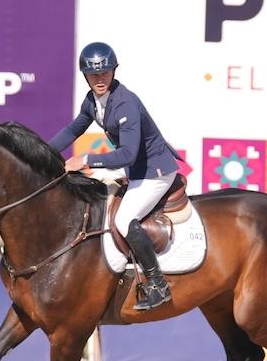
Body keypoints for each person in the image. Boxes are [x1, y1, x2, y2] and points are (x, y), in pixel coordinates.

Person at [48, 41, 182, 310]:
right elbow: (74, 130)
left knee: (123, 219)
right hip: (135, 169)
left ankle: (158, 285)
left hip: (154, 171)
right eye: (93, 75)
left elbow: (127, 155)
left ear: (114, 71)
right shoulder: (92, 101)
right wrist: (42, 153)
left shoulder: (126, 104)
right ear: (85, 76)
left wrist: (85, 159)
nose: (99, 79)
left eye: (105, 73)